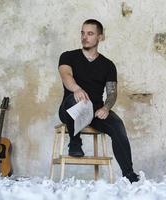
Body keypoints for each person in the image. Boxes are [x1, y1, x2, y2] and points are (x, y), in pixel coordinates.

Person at [58, 19, 139, 183]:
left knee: (117, 126)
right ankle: (75, 143)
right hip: (70, 108)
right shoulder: (68, 56)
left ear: (100, 37)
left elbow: (112, 93)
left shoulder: (108, 65)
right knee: (76, 100)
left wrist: (107, 108)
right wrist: (76, 89)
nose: (85, 37)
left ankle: (129, 174)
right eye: (83, 33)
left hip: (94, 111)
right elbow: (66, 76)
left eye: (90, 33)